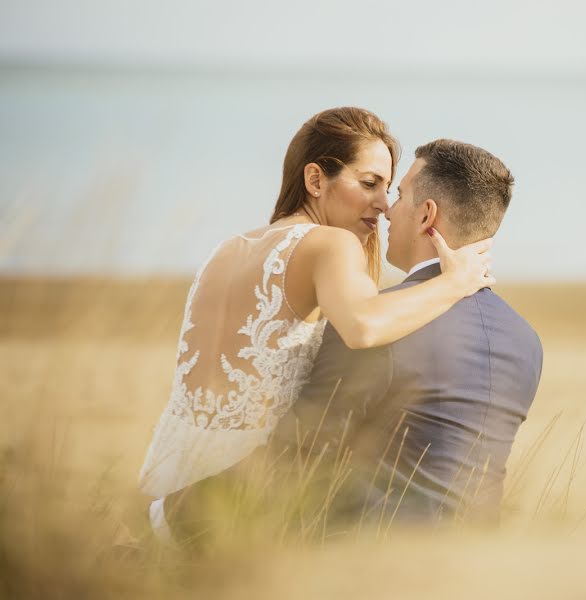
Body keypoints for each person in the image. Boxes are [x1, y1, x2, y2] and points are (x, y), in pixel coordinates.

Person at [137, 109, 494, 542]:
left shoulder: (228, 248)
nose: (383, 206)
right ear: (315, 180)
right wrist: (456, 283)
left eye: (387, 187)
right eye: (368, 184)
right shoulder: (330, 244)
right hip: (236, 482)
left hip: (167, 466)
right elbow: (362, 327)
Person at [276, 139, 543, 528]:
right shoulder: (525, 340)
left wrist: (173, 513)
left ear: (425, 216)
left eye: (399, 195)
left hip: (370, 561)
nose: (386, 209)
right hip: (479, 565)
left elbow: (296, 453)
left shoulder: (380, 324)